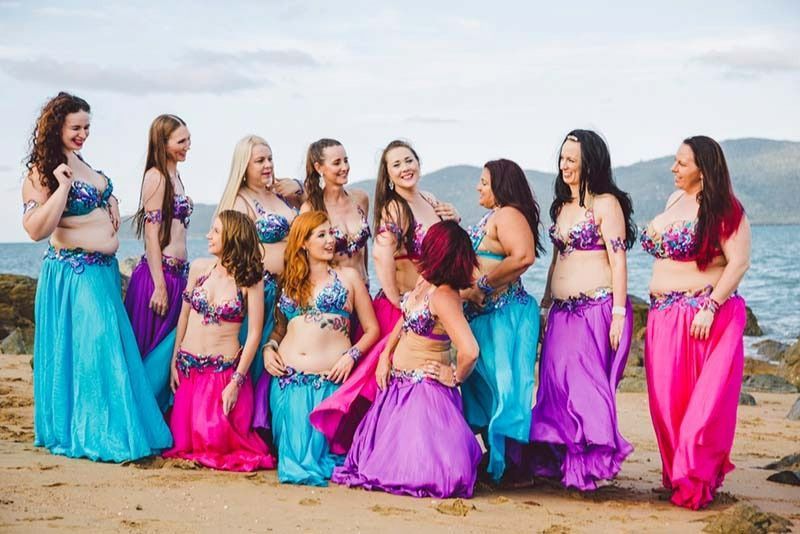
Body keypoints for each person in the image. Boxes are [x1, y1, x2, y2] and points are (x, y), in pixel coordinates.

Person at [22, 92, 171, 461]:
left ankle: (114, 426)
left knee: (108, 350)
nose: (83, 134)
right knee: (98, 348)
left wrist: (110, 200)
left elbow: (98, 192)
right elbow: (35, 229)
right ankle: (101, 433)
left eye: (87, 127)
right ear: (56, 127)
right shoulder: (41, 172)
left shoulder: (81, 161)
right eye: (76, 127)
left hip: (103, 273)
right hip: (75, 273)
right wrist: (62, 188)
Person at [307, 139, 459, 454]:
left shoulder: (427, 200)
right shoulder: (394, 207)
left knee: (419, 380)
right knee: (381, 381)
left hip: (425, 306)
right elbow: (381, 255)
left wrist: (453, 218)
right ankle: (379, 449)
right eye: (396, 164)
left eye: (409, 160)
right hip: (397, 307)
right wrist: (397, 300)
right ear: (387, 174)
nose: (405, 168)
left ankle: (416, 449)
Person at [519, 130, 636, 489]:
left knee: (585, 388)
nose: (564, 165)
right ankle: (565, 460)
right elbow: (556, 261)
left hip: (595, 310)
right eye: (562, 158)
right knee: (555, 387)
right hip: (561, 313)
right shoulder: (562, 207)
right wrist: (545, 304)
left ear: (590, 162)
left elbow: (618, 260)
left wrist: (618, 313)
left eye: (572, 159)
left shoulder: (606, 204)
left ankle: (590, 463)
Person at [332, 221, 481, 498]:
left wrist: (454, 376)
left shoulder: (444, 296)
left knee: (415, 472)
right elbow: (404, 320)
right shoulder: (425, 283)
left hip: (423, 395)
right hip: (397, 387)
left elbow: (470, 350)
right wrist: (385, 356)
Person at [641, 135, 750, 510]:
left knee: (697, 408)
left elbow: (738, 263)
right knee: (665, 403)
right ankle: (677, 474)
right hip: (662, 316)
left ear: (703, 170)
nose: (673, 168)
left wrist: (711, 306)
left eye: (682, 163)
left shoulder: (725, 208)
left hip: (698, 318)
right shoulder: (674, 200)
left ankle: (696, 477)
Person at [260, 211, 379, 486]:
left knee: (322, 457)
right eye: (321, 235)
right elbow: (279, 328)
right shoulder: (289, 280)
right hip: (288, 382)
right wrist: (268, 349)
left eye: (331, 233)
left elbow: (372, 329)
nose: (330, 240)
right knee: (295, 460)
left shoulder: (349, 277)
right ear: (303, 242)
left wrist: (351, 356)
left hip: (330, 383)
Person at [163, 210, 275, 471]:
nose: (208, 236)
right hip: (188, 374)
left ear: (233, 237)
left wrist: (236, 382)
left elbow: (255, 333)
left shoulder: (250, 279)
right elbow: (184, 315)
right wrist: (173, 361)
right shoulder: (199, 268)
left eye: (215, 231)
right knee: (184, 443)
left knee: (214, 442)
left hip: (222, 378)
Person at [460, 158, 543, 482]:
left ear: (500, 186)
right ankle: (498, 458)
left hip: (504, 317)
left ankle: (512, 465)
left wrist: (482, 285)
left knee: (504, 389)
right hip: (484, 316)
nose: (478, 187)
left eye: (484, 182)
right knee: (482, 389)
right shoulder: (493, 216)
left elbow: (523, 256)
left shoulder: (508, 214)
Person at [215, 135, 300, 382]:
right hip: (264, 295)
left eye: (270, 159)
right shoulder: (239, 201)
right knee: (262, 369)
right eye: (260, 161)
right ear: (244, 165)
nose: (268, 165)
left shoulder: (280, 195)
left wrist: (299, 188)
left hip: (292, 290)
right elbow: (233, 253)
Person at [125, 114, 193, 356]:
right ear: (163, 143)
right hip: (159, 276)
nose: (188, 146)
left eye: (188, 139)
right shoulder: (156, 177)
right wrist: (160, 286)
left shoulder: (176, 176)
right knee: (151, 353)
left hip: (177, 276)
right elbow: (151, 236)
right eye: (181, 141)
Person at [300, 139, 371, 287]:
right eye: (337, 163)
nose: (344, 167)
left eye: (346, 160)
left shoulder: (360, 199)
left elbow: (363, 250)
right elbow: (304, 257)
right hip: (335, 292)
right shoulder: (311, 208)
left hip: (364, 288)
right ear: (319, 167)